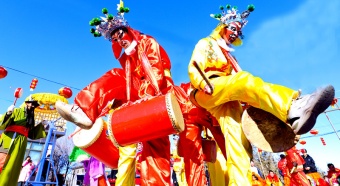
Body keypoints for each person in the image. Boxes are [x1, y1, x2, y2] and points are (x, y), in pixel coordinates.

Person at [187, 4, 334, 185]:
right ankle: (292, 107)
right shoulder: (206, 43)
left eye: (238, 31)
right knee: (244, 80)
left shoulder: (230, 57)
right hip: (207, 89)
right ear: (223, 26)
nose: (235, 34)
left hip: (229, 97)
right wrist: (203, 83)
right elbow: (194, 67)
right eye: (233, 28)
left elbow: (242, 89)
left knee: (239, 143)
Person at [56, 1, 177, 185]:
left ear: (127, 30)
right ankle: (85, 111)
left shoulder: (147, 43)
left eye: (119, 33)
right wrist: (101, 113)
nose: (119, 40)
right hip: (134, 102)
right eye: (114, 38)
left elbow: (157, 72)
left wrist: (146, 96)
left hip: (158, 96)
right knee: (126, 153)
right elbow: (120, 88)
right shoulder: (127, 61)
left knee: (156, 153)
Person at [0, 97, 46, 185]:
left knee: (14, 167)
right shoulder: (16, 111)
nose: (32, 106)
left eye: (34, 105)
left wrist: (41, 125)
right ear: (26, 103)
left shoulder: (31, 118)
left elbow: (32, 134)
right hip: (11, 140)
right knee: (4, 163)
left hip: (21, 143)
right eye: (31, 103)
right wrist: (8, 113)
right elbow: (2, 125)